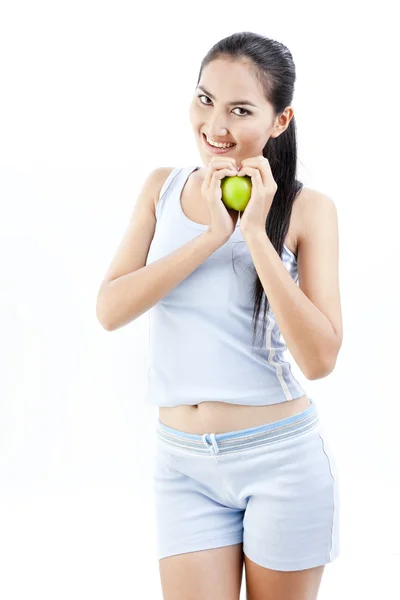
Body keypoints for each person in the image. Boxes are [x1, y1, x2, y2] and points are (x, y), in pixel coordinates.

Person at [96, 31, 342, 600]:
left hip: (281, 460)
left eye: (240, 109)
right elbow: (110, 311)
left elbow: (321, 357)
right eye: (204, 100)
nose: (215, 126)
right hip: (182, 466)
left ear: (280, 121)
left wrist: (255, 233)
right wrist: (211, 237)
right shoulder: (162, 189)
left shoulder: (309, 210)